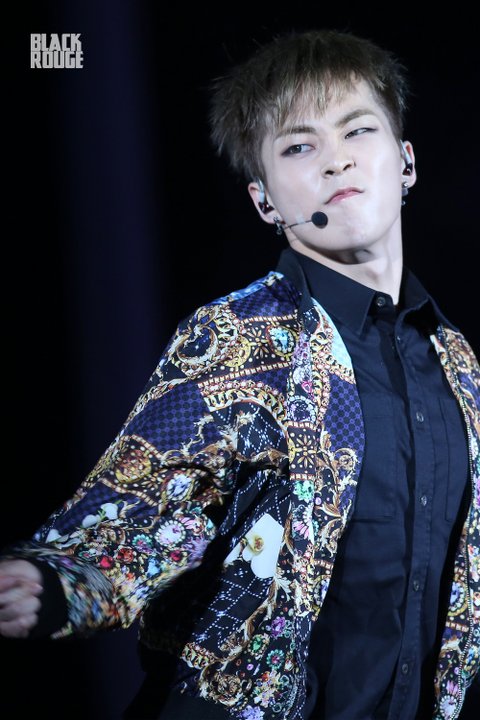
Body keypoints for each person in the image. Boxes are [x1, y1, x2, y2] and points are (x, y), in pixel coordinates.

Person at [0, 28, 478, 720]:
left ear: (405, 162)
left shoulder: (457, 364)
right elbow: (145, 501)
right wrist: (54, 580)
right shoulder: (239, 337)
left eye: (357, 131)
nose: (337, 161)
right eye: (299, 147)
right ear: (264, 201)